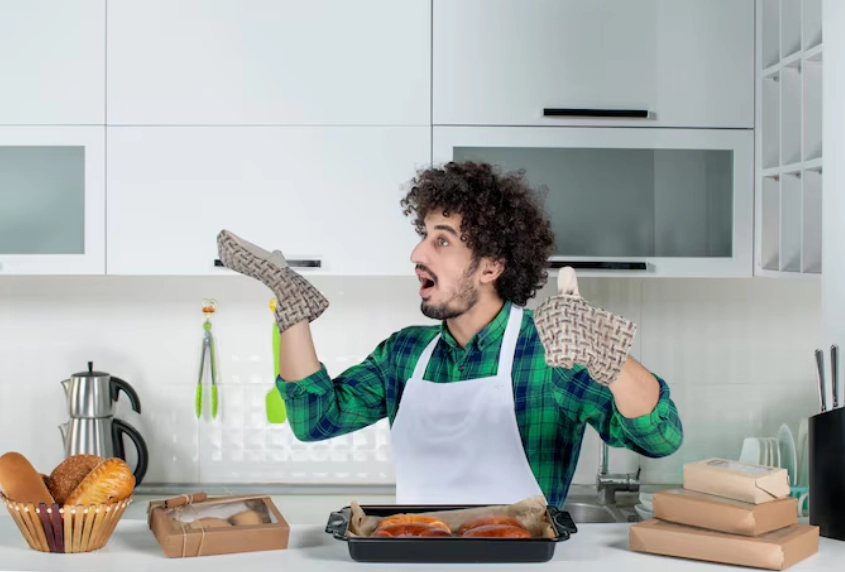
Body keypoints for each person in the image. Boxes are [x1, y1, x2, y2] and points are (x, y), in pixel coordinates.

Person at [216, 160, 683, 509]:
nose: (417, 252)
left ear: (491, 267)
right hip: (417, 557)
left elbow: (661, 439)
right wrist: (289, 301)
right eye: (423, 234)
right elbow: (314, 420)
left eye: (442, 240)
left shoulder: (553, 352)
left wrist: (608, 355)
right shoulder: (404, 354)